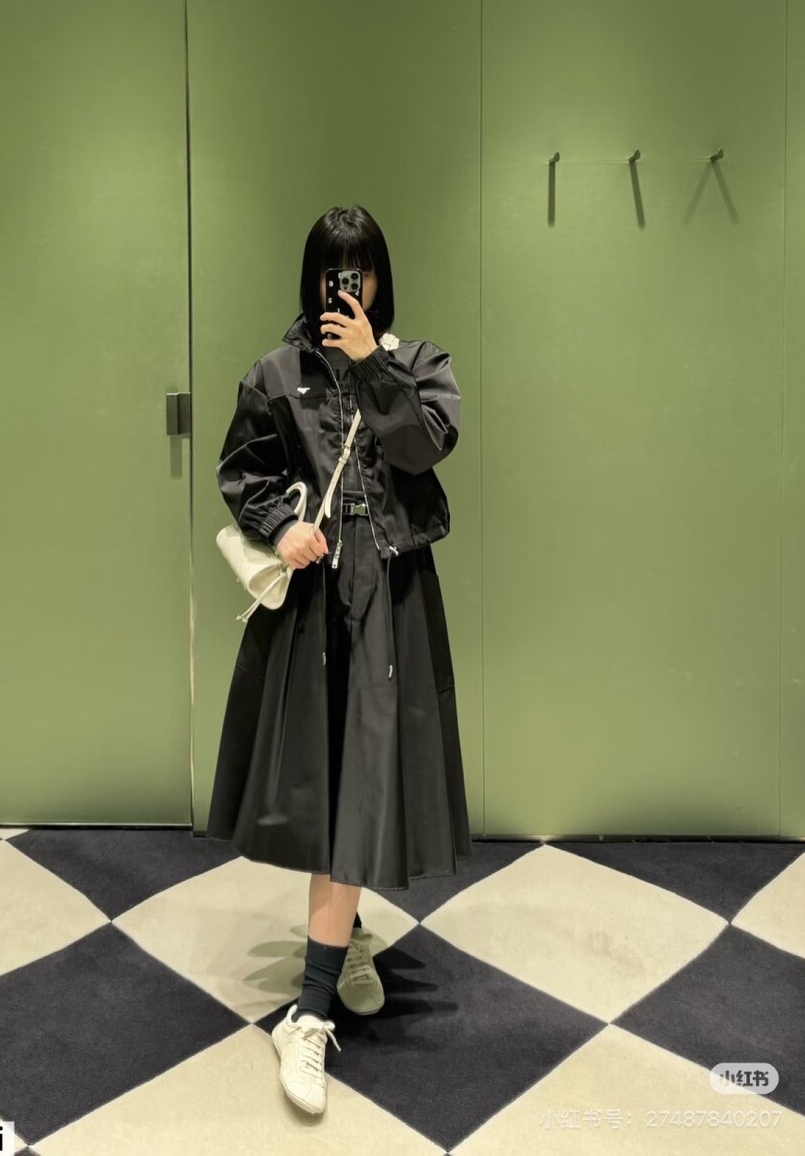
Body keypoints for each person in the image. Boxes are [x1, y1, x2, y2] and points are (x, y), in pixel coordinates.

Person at [208, 204, 471, 1114]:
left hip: (388, 600)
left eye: (359, 270)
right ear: (312, 278)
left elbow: (424, 447)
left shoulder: (418, 364)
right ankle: (343, 940)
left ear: (380, 278)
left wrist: (370, 365)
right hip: (314, 606)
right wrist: (281, 525)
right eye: (332, 270)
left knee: (364, 782)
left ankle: (308, 1011)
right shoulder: (275, 373)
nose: (345, 286)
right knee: (327, 783)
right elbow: (243, 471)